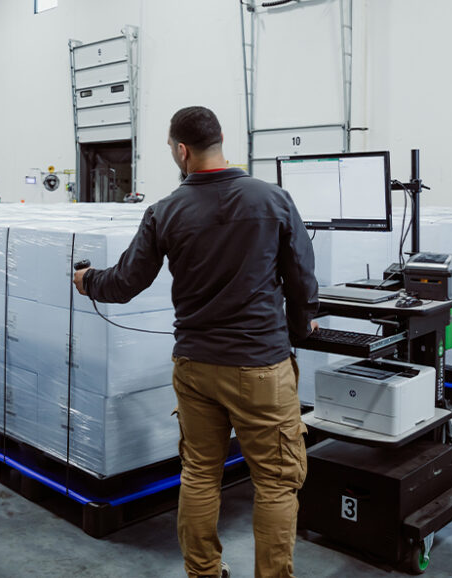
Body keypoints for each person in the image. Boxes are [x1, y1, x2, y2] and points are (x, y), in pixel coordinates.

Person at [73, 106, 319, 578]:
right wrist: (296, 329)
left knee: (201, 474)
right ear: (221, 140)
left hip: (195, 365)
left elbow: (125, 282)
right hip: (261, 367)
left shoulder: (164, 211)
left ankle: (203, 572)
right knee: (275, 482)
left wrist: (87, 280)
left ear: (182, 150)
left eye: (170, 149)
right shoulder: (274, 200)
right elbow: (303, 279)